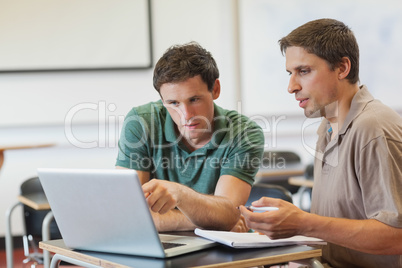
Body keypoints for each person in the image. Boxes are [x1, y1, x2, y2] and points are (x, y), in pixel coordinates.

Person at [240, 18, 402, 267]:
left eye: (303, 71)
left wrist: (303, 222)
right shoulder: (325, 127)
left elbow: (396, 236)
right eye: (290, 73)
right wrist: (286, 225)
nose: (291, 86)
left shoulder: (373, 128)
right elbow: (333, 227)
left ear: (342, 68)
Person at [116, 42, 264, 232]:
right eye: (173, 103)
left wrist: (180, 194)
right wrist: (206, 222)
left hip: (222, 250)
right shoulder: (141, 122)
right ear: (162, 100)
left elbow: (227, 214)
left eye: (194, 99)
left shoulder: (245, 132)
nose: (186, 114)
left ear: (215, 89)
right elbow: (127, 213)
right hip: (162, 245)